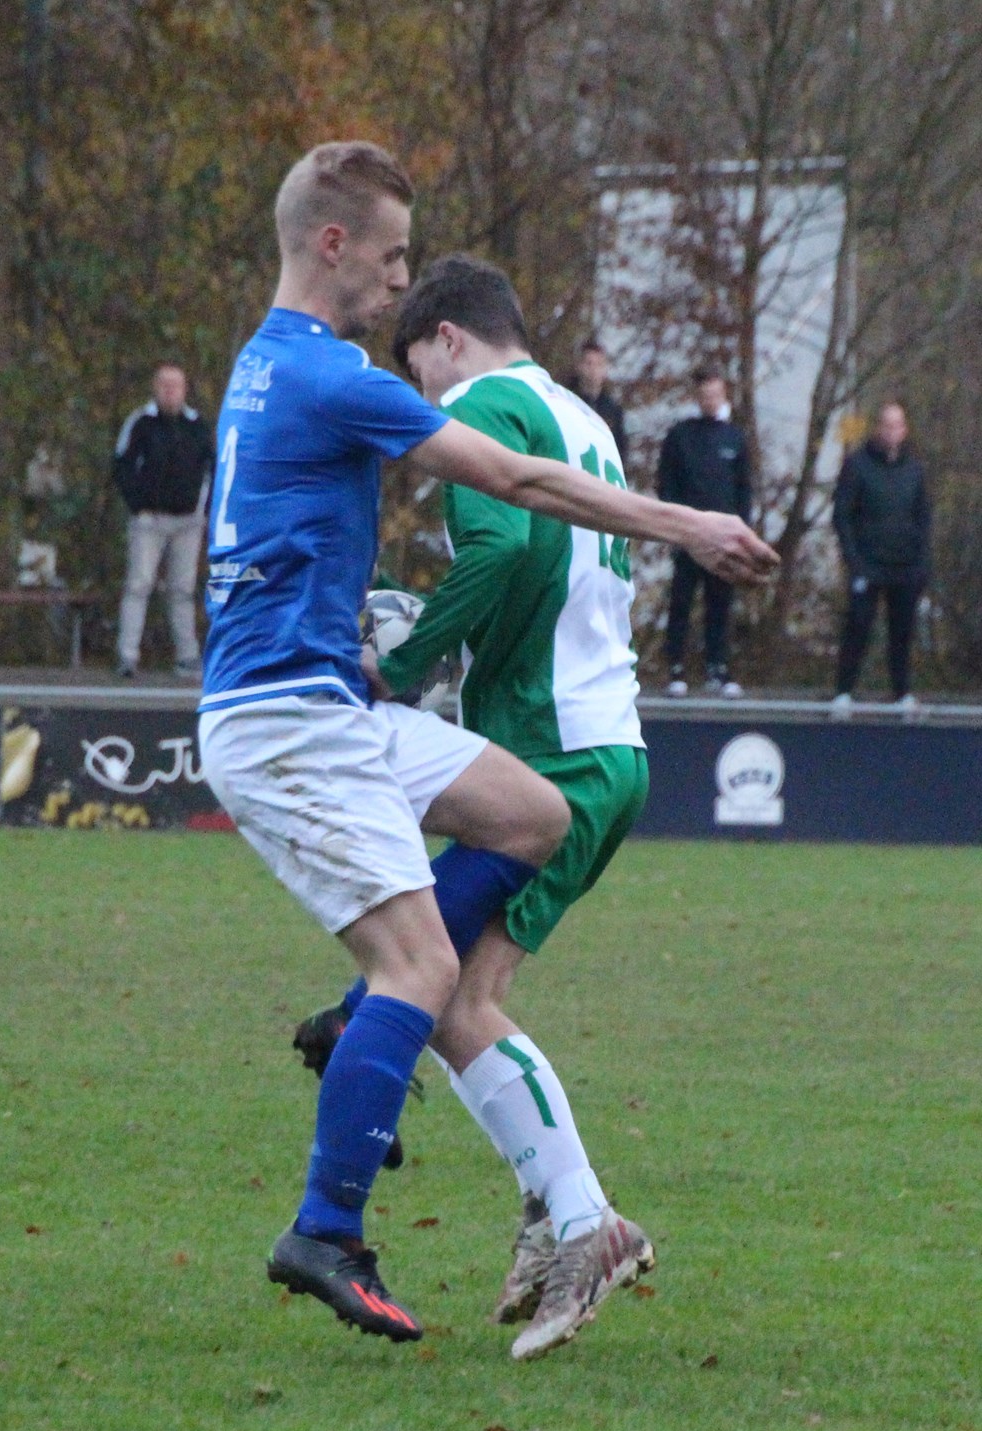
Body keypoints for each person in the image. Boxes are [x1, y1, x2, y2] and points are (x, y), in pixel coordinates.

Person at [196, 140, 777, 1349]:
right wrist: (686, 524)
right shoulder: (333, 375)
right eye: (391, 255)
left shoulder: (265, 363)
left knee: (529, 815)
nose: (399, 281)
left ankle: (363, 1028)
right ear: (333, 243)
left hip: (322, 701)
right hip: (288, 719)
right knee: (424, 974)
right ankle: (325, 1226)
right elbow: (517, 484)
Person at [297, 252, 659, 1359]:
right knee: (456, 991)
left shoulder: (481, 404)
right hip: (603, 741)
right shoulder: (581, 416)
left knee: (448, 999)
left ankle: (582, 1217)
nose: (421, 401)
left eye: (417, 370)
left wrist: (406, 665)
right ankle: (555, 1204)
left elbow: (499, 545)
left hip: (552, 753)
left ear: (447, 339)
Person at [113, 362, 214, 678]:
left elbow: (213, 469)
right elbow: (122, 464)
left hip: (188, 522)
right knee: (138, 585)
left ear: (184, 390)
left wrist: (204, 510)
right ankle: (127, 656)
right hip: (149, 520)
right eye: (164, 385)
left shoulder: (197, 425)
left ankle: (187, 656)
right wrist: (138, 504)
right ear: (154, 388)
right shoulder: (140, 423)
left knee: (182, 589)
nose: (170, 391)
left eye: (176, 385)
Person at [830, 400, 930, 716]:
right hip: (868, 564)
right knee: (858, 626)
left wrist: (921, 562)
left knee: (902, 631)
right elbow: (842, 515)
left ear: (905, 430)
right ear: (877, 428)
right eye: (887, 425)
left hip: (905, 566)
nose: (892, 432)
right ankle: (843, 692)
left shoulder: (914, 469)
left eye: (897, 426)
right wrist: (854, 559)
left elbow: (923, 517)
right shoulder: (857, 465)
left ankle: (902, 693)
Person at [658, 366, 753, 698]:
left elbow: (744, 489)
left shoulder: (735, 438)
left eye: (716, 394)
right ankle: (676, 667)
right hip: (688, 535)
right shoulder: (680, 436)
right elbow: (666, 484)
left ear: (723, 395)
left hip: (723, 539)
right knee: (681, 601)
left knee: (720, 604)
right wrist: (675, 527)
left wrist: (742, 533)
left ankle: (718, 667)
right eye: (705, 395)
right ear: (697, 397)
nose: (710, 401)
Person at [566, 337, 628, 468]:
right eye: (588, 363)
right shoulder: (567, 403)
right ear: (579, 366)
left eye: (599, 364)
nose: (593, 370)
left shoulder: (613, 411)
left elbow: (621, 450)